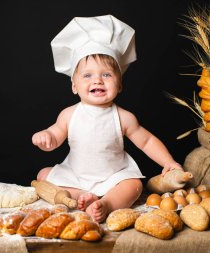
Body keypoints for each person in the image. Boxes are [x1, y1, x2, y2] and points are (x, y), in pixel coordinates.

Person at [32, 15, 183, 222]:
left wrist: (169, 162)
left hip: (114, 178)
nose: (97, 80)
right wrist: (46, 137)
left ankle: (107, 203)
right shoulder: (69, 114)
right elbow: (55, 138)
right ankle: (79, 197)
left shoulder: (123, 117)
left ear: (119, 84)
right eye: (87, 75)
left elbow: (146, 141)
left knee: (134, 185)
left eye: (106, 75)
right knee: (43, 174)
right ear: (74, 86)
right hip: (75, 176)